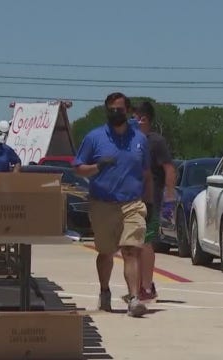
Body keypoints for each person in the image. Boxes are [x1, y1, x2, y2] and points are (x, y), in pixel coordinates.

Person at [73, 92, 153, 318]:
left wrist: (150, 201)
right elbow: (77, 168)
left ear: (127, 111)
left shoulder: (140, 140)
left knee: (131, 250)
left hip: (132, 204)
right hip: (102, 204)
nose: (114, 113)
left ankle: (134, 298)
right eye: (111, 110)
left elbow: (146, 173)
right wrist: (97, 166)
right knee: (106, 253)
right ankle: (105, 291)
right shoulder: (94, 138)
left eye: (119, 109)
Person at [129, 101, 176, 304]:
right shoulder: (129, 139)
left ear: (144, 119)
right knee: (133, 244)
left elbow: (169, 168)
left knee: (146, 242)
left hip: (152, 200)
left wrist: (169, 196)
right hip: (131, 199)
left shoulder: (155, 141)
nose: (132, 121)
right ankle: (138, 286)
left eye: (136, 118)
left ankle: (147, 286)